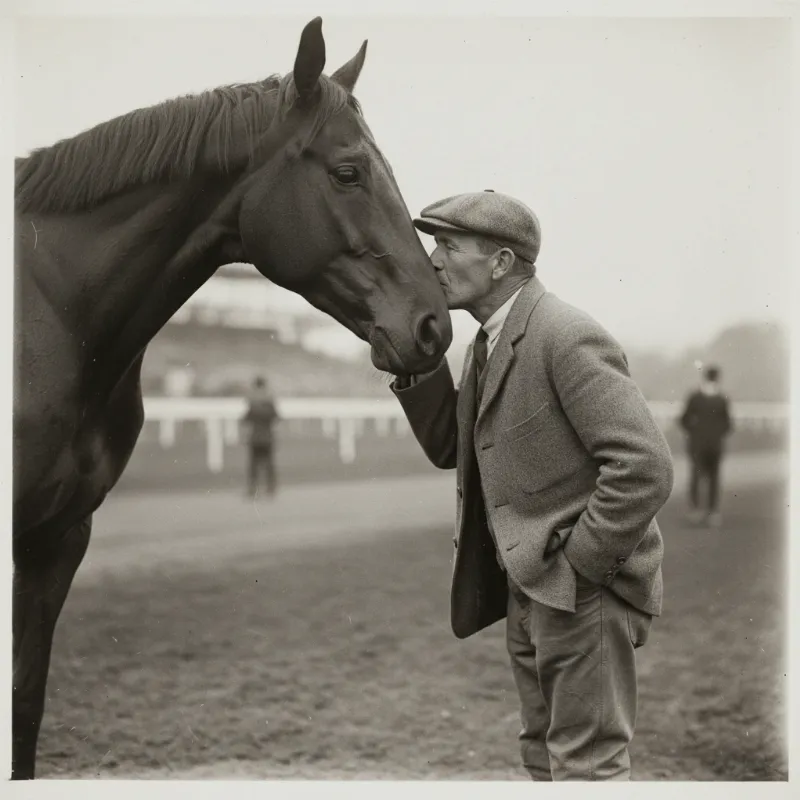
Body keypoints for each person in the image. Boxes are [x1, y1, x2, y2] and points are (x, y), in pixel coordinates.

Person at [390, 190, 674, 781]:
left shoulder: (563, 334)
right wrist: (413, 361)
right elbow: (454, 446)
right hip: (531, 586)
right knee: (544, 758)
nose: (433, 259)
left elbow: (643, 465)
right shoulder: (487, 340)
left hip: (580, 589)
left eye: (448, 244)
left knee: (586, 764)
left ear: (500, 263)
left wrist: (580, 565)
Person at [679, 365, 733, 527]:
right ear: (717, 378)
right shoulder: (722, 399)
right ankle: (713, 512)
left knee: (696, 477)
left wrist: (695, 432)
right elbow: (728, 425)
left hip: (697, 444)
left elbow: (683, 420)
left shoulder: (695, 397)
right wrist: (716, 434)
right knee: (714, 478)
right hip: (715, 445)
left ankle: (695, 510)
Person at [242, 375, 279, 498]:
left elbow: (245, 419)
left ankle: (253, 489)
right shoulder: (269, 401)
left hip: (255, 438)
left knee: (254, 465)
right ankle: (270, 488)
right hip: (267, 437)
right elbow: (276, 417)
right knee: (268, 464)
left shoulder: (252, 402)